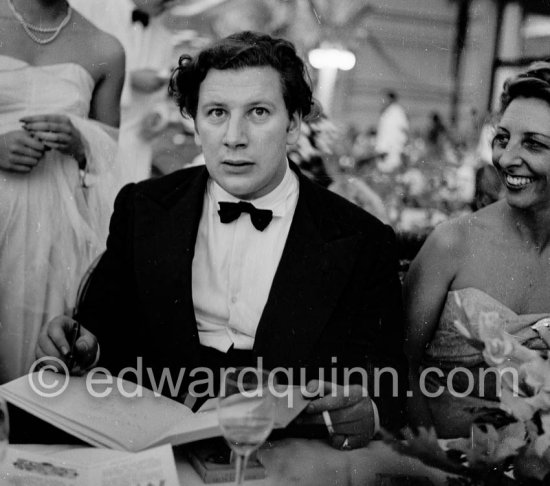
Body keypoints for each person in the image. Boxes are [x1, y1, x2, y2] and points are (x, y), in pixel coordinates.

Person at [38, 31, 406, 449]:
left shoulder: (361, 238)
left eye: (258, 112)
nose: (234, 136)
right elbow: (102, 330)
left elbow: (388, 378)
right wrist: (86, 345)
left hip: (288, 443)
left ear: (293, 126)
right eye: (216, 113)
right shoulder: (144, 209)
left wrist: (369, 409)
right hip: (153, 434)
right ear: (195, 126)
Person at [0, 0, 125, 383]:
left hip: (55, 227)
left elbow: (110, 149)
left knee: (37, 355)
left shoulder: (105, 48)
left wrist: (80, 139)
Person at [404, 62, 550, 437]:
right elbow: (397, 367)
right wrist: (438, 462)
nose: (505, 158)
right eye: (503, 139)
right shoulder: (452, 243)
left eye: (533, 144)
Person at [71, 0, 190, 184]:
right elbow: (69, 76)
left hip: (135, 156)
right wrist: (128, 79)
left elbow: (159, 101)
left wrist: (158, 116)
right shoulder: (85, 10)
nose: (169, 3)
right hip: (89, 148)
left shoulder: (164, 38)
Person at [375, 90, 409, 172]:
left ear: (390, 99)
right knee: (383, 170)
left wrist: (403, 146)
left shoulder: (398, 111)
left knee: (393, 168)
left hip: (394, 147)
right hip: (384, 148)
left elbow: (404, 129)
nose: (382, 100)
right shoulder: (386, 112)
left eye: (384, 98)